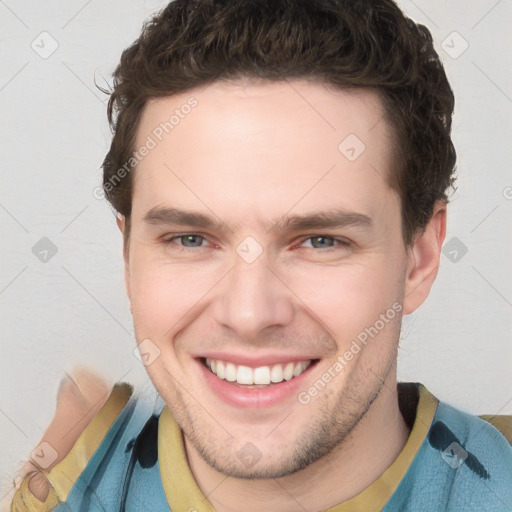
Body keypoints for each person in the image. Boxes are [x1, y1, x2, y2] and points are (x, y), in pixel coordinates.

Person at [9, 0, 512, 510]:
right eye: (190, 239)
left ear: (420, 259)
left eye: (320, 241)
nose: (249, 315)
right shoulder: (60, 494)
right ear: (127, 256)